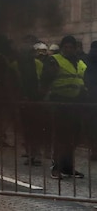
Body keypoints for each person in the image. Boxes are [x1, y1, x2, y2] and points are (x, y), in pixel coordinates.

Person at [40, 35, 87, 179]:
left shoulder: (80, 63)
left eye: (71, 47)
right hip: (59, 102)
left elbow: (82, 81)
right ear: (62, 48)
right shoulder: (54, 60)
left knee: (74, 137)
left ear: (75, 48)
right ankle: (56, 167)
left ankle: (67, 167)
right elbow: (45, 80)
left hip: (76, 103)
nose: (68, 49)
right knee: (61, 136)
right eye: (66, 47)